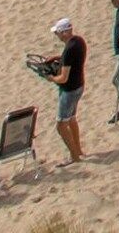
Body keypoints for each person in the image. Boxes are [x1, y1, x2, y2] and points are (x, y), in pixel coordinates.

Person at [46, 18, 87, 161]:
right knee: (71, 119)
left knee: (61, 125)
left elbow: (63, 78)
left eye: (57, 33)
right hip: (79, 86)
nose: (56, 36)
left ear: (64, 33)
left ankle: (74, 156)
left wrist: (51, 78)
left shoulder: (69, 49)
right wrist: (59, 57)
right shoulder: (79, 41)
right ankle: (78, 150)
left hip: (69, 91)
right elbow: (71, 59)